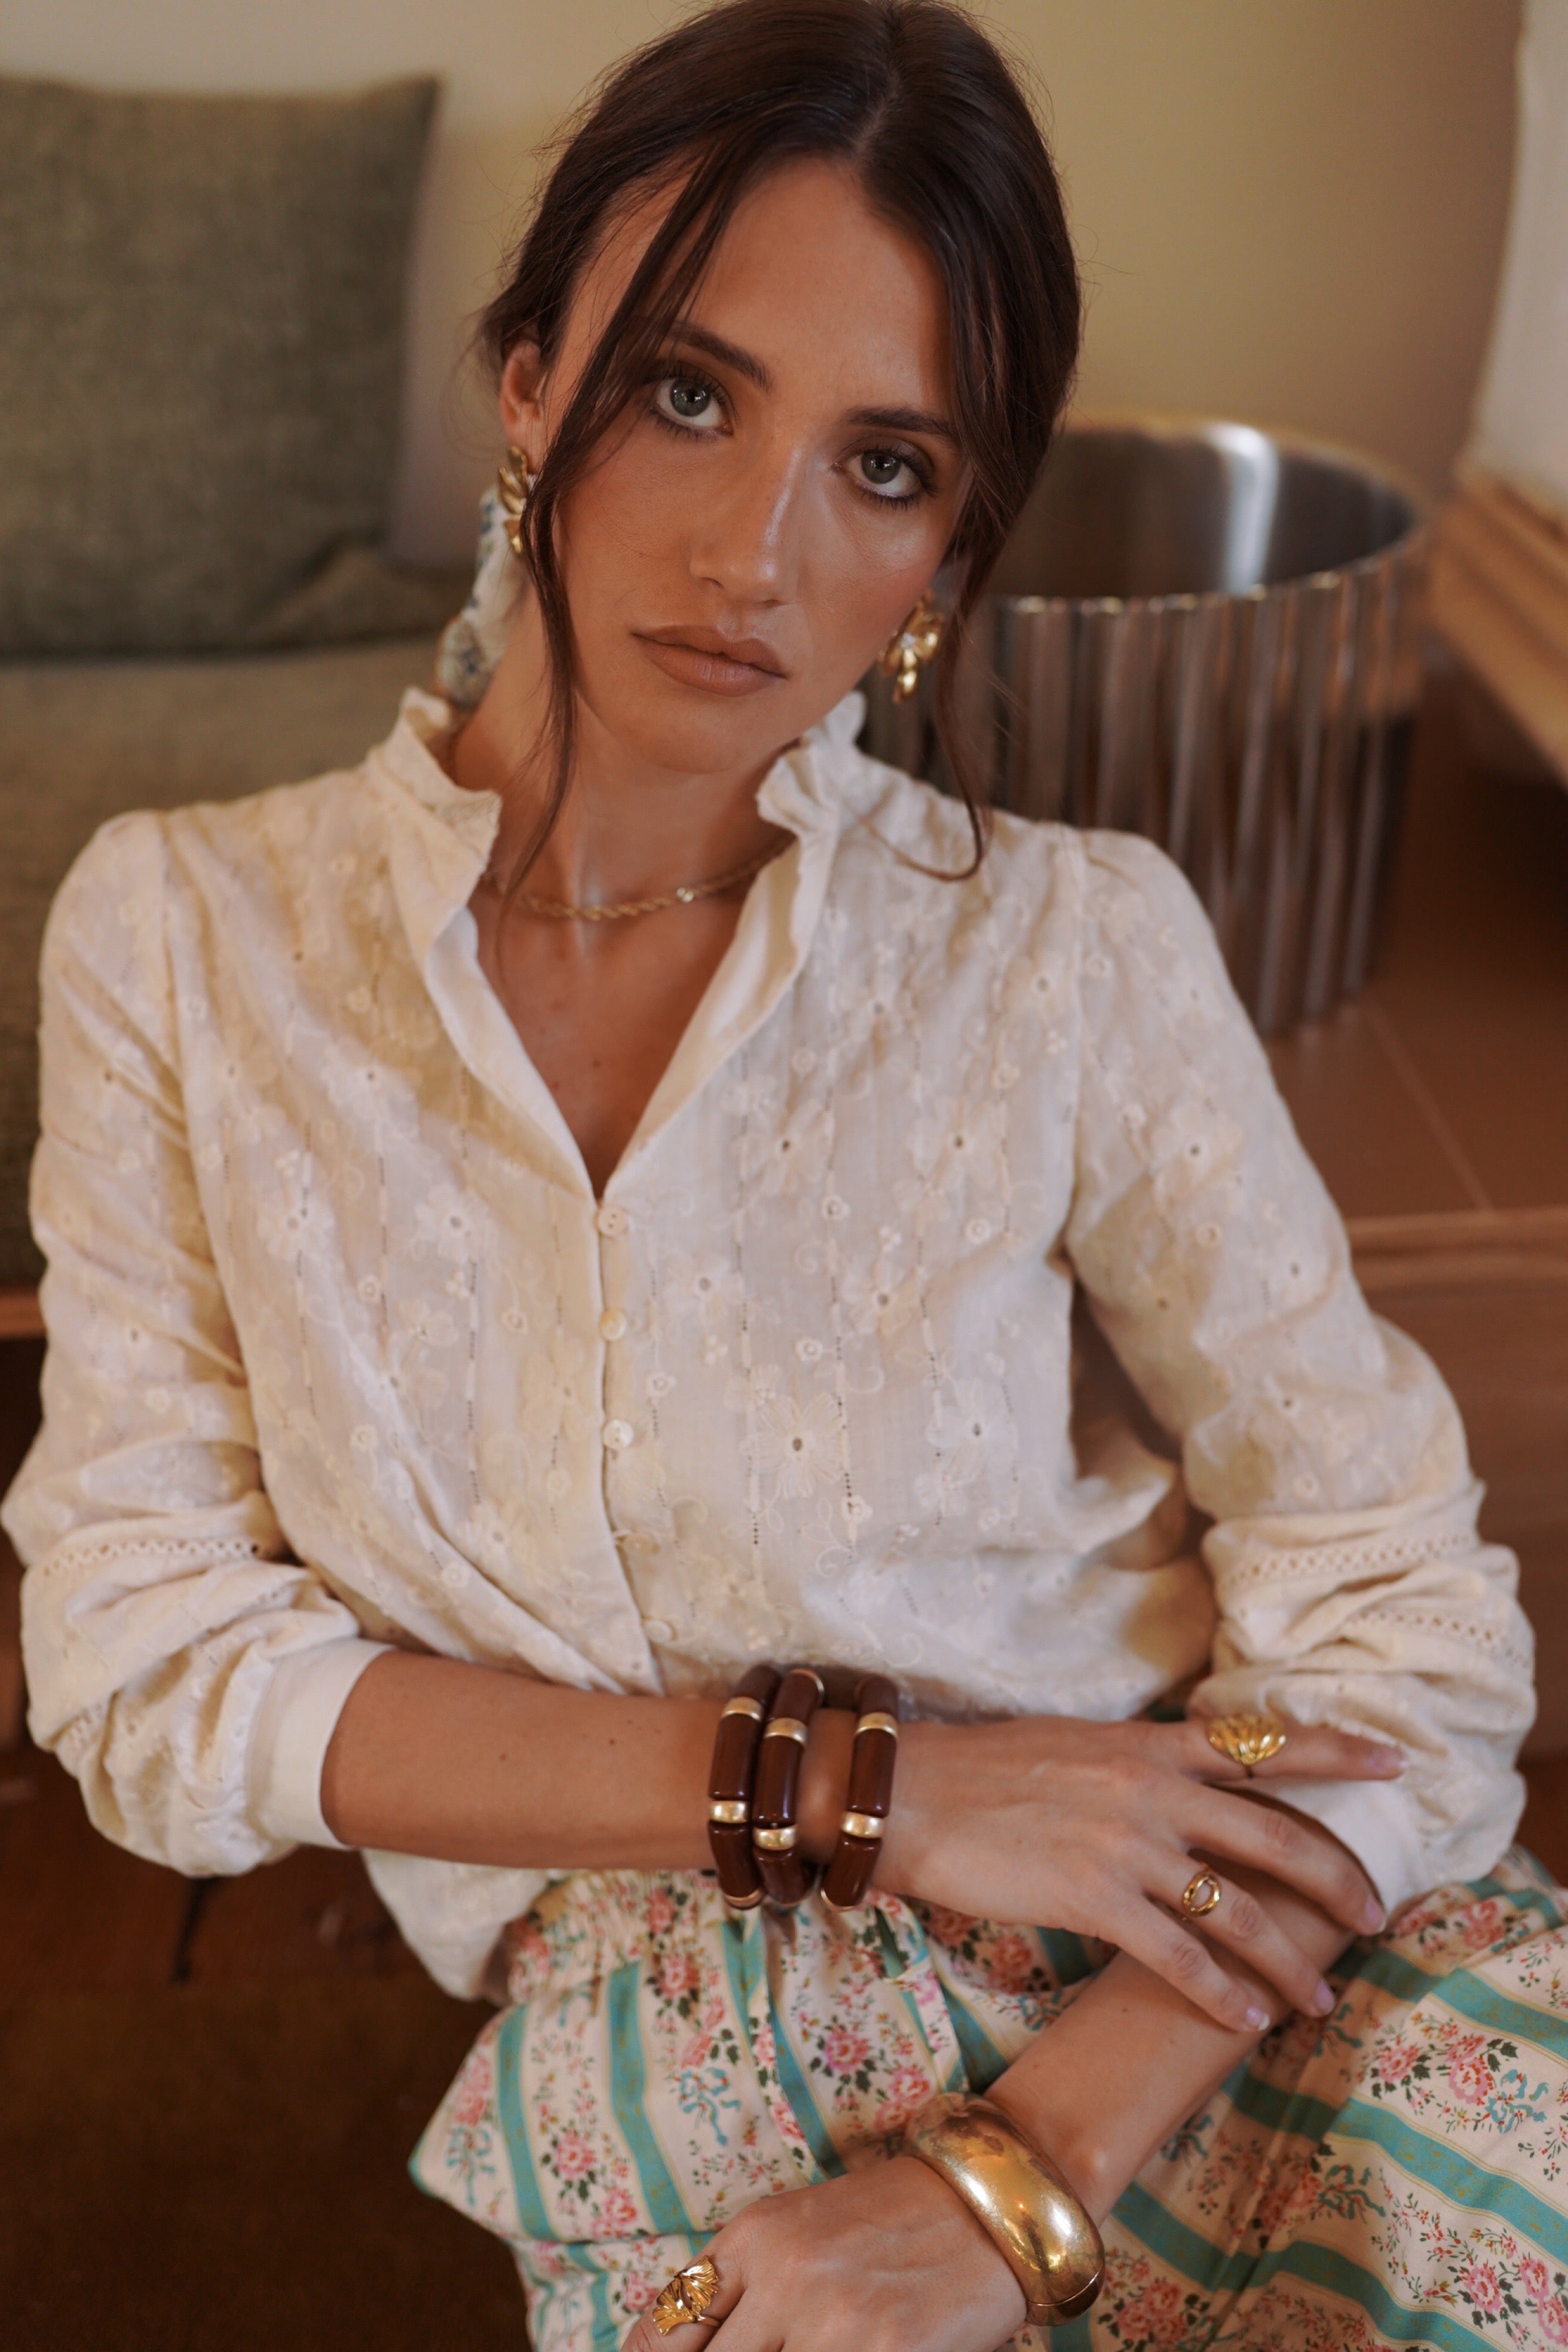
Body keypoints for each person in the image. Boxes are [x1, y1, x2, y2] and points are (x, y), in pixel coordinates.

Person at [4, 4, 1557, 2347]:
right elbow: (141, 1676)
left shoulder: (1069, 945)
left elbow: (1406, 1624)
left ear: (949, 542)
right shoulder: (187, 935)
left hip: (1222, 1945)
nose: (757, 554)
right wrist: (872, 1796)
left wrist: (1025, 2174)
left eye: (886, 462)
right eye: (686, 392)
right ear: (530, 380)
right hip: (685, 2048)